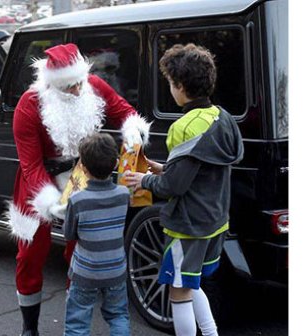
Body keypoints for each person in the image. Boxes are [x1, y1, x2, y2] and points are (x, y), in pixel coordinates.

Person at [8, 43, 150, 336]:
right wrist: (52, 203)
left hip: (80, 175)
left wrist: (133, 130)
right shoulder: (28, 104)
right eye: (68, 87)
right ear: (52, 84)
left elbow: (124, 110)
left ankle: (77, 317)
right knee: (30, 254)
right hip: (39, 181)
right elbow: (31, 165)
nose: (76, 90)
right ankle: (29, 326)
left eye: (78, 83)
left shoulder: (92, 85)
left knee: (80, 249)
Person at [124, 43, 244, 336]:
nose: (170, 88)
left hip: (188, 227)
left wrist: (144, 180)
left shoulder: (183, 127)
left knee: (177, 292)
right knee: (193, 283)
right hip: (215, 221)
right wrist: (162, 167)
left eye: (170, 83)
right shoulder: (222, 117)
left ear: (179, 85)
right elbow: (197, 170)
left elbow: (174, 187)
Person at [63, 133, 130, 336]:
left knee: (77, 323)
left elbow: (69, 235)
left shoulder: (78, 200)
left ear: (82, 167)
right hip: (116, 269)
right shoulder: (124, 194)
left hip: (85, 272)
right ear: (117, 163)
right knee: (118, 315)